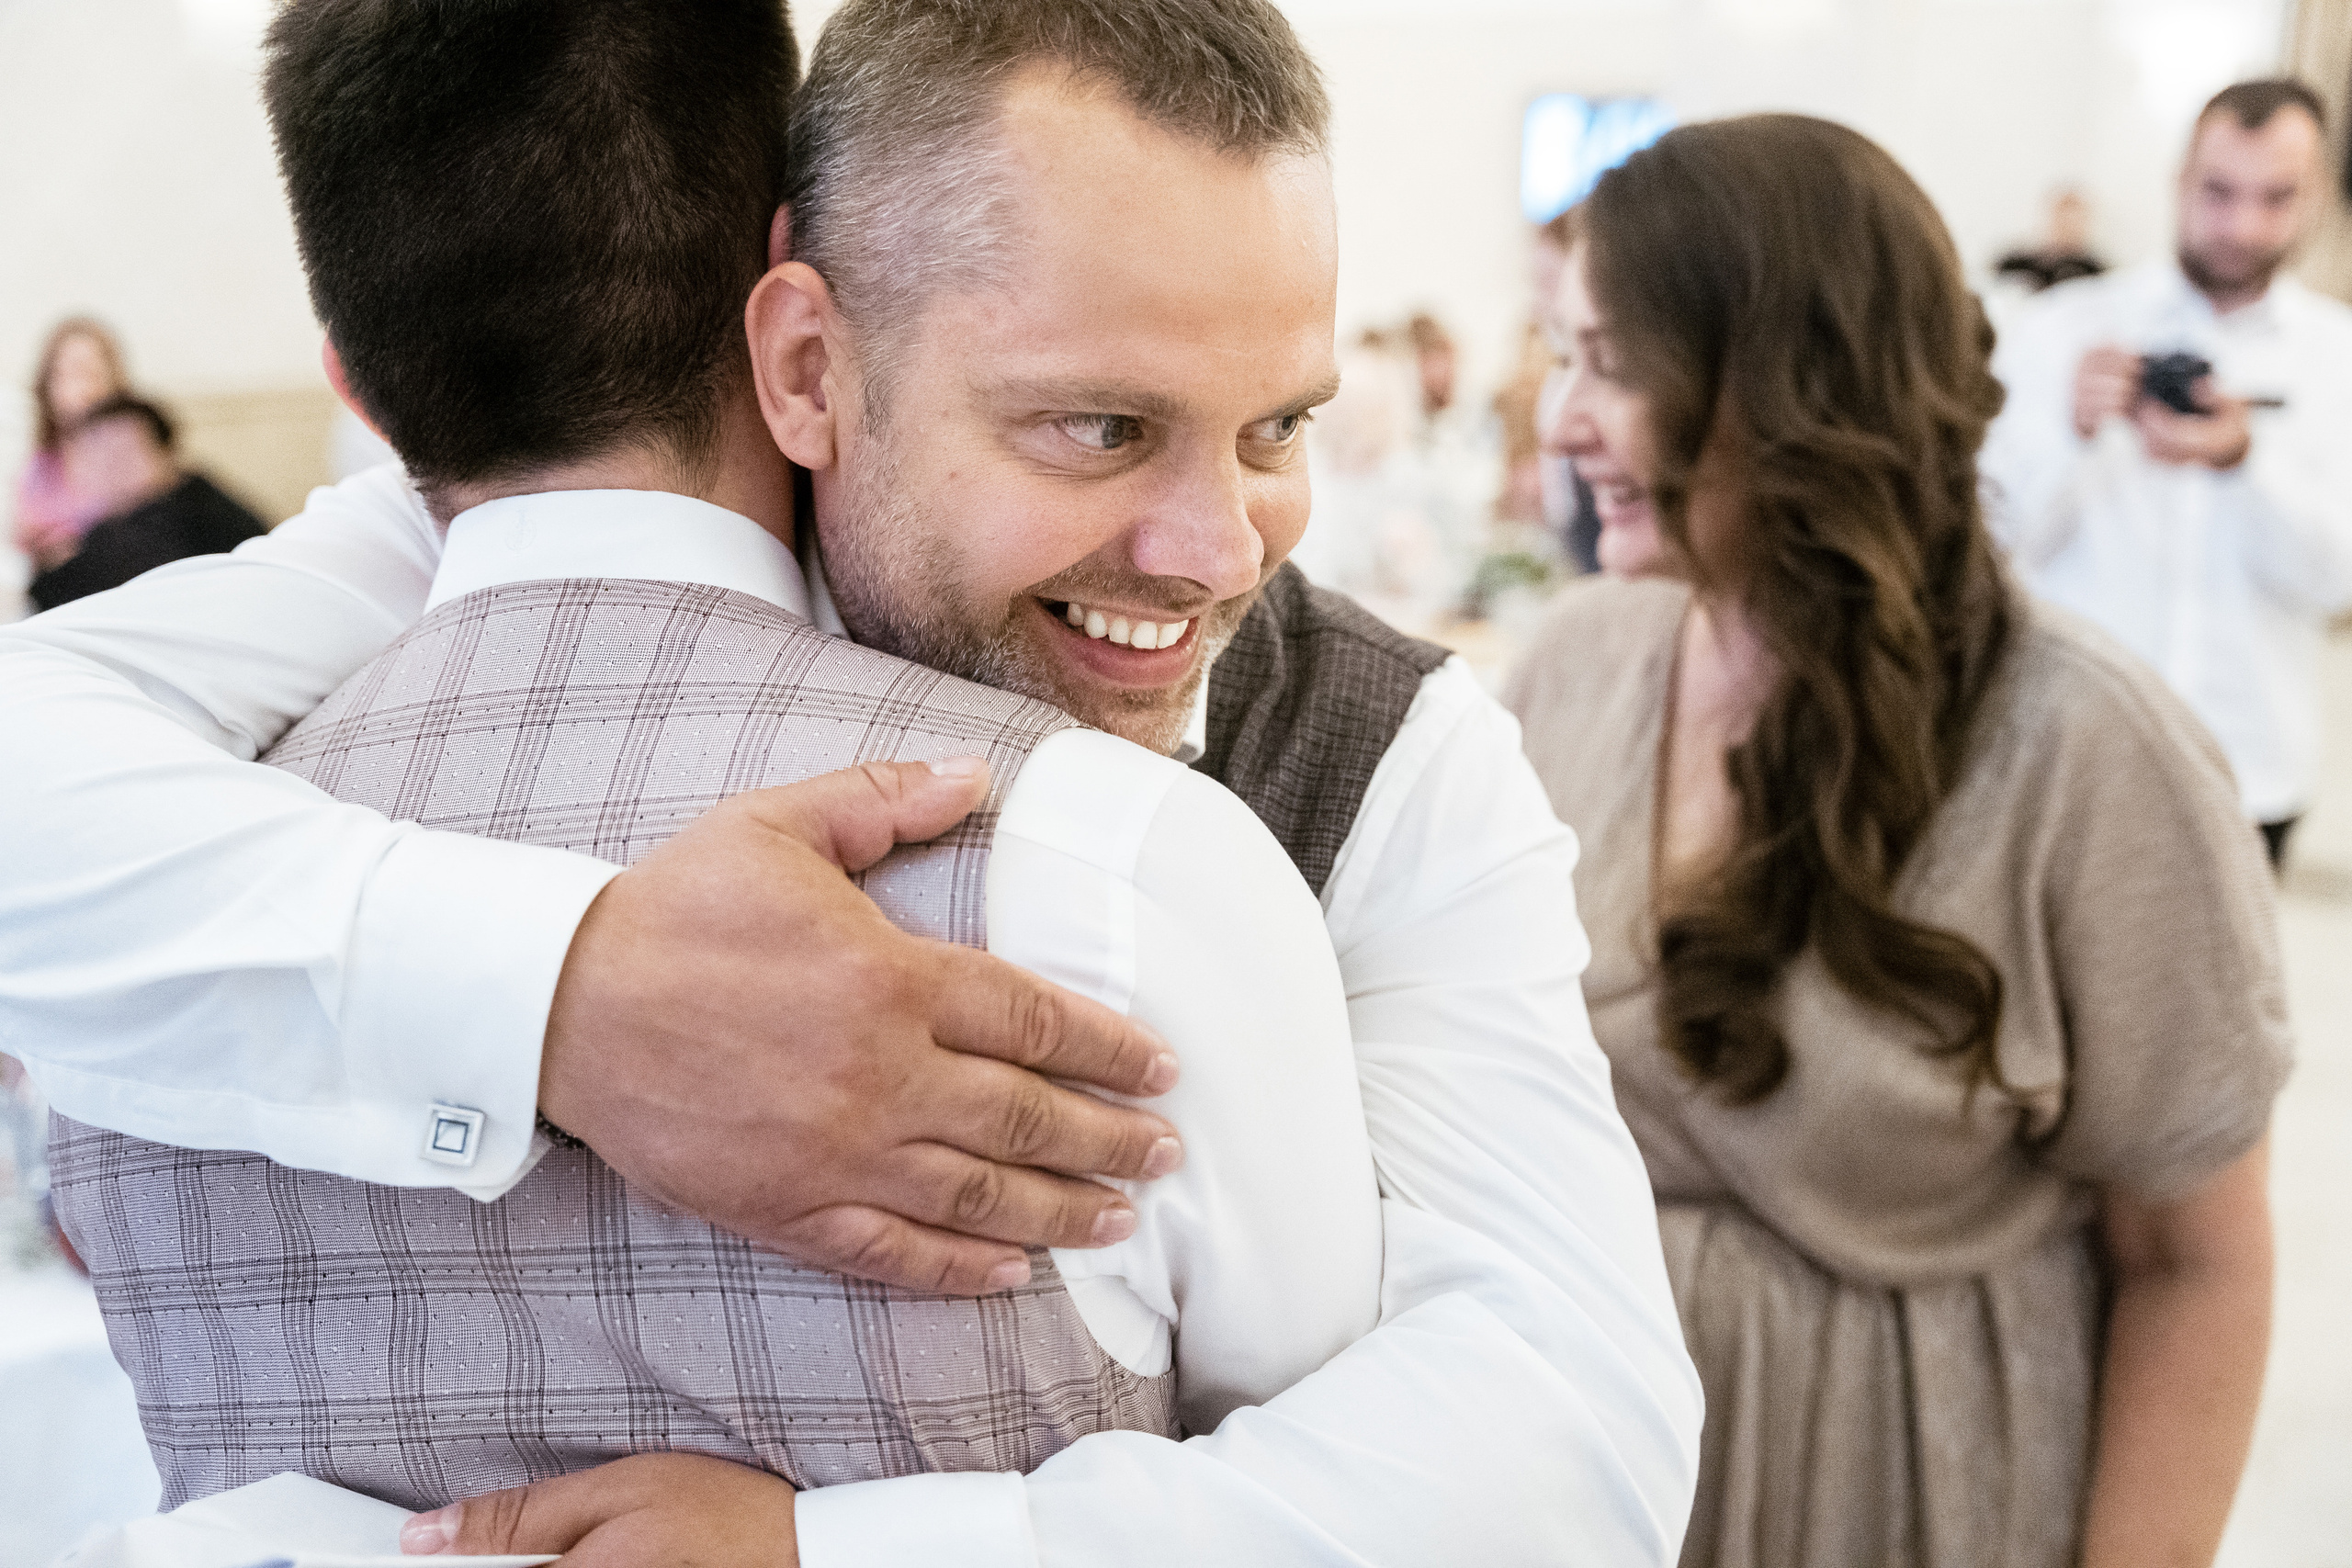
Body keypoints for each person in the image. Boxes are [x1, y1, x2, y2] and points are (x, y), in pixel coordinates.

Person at [3, 0, 1701, 1563]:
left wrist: (846, 1551)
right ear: (806, 370)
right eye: (1094, 426)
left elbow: (1573, 1436)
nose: (1212, 552)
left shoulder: (1390, 751)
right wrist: (563, 985)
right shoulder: (417, 574)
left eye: (1277, 428)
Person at [1507, 114, 2288, 1568]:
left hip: (1918, 1492)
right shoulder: (1571, 662)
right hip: (1597, 1471)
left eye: (1612, 363)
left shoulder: (2088, 751)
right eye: (1564, 353)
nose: (1560, 419)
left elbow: (2196, 1258)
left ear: (1788, 387)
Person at [1981, 79, 2352, 868]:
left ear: (2316, 195)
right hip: (2065, 760)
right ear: (2179, 180)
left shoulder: (2340, 359)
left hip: (2249, 768)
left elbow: (2343, 581)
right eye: (2218, 192)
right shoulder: (2063, 328)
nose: (2242, 225)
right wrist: (2069, 429)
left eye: (2276, 197)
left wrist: (2244, 462)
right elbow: (1991, 534)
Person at [26, 395, 266, 610]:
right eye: (97, 454)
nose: (110, 468)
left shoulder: (183, 512)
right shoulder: (131, 517)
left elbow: (57, 595)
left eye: (124, 453)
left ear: (167, 454)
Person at [11, 318, 131, 571]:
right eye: (68, 375)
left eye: (92, 374)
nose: (82, 390)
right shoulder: (39, 468)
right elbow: (26, 545)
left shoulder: (136, 462)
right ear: (47, 386)